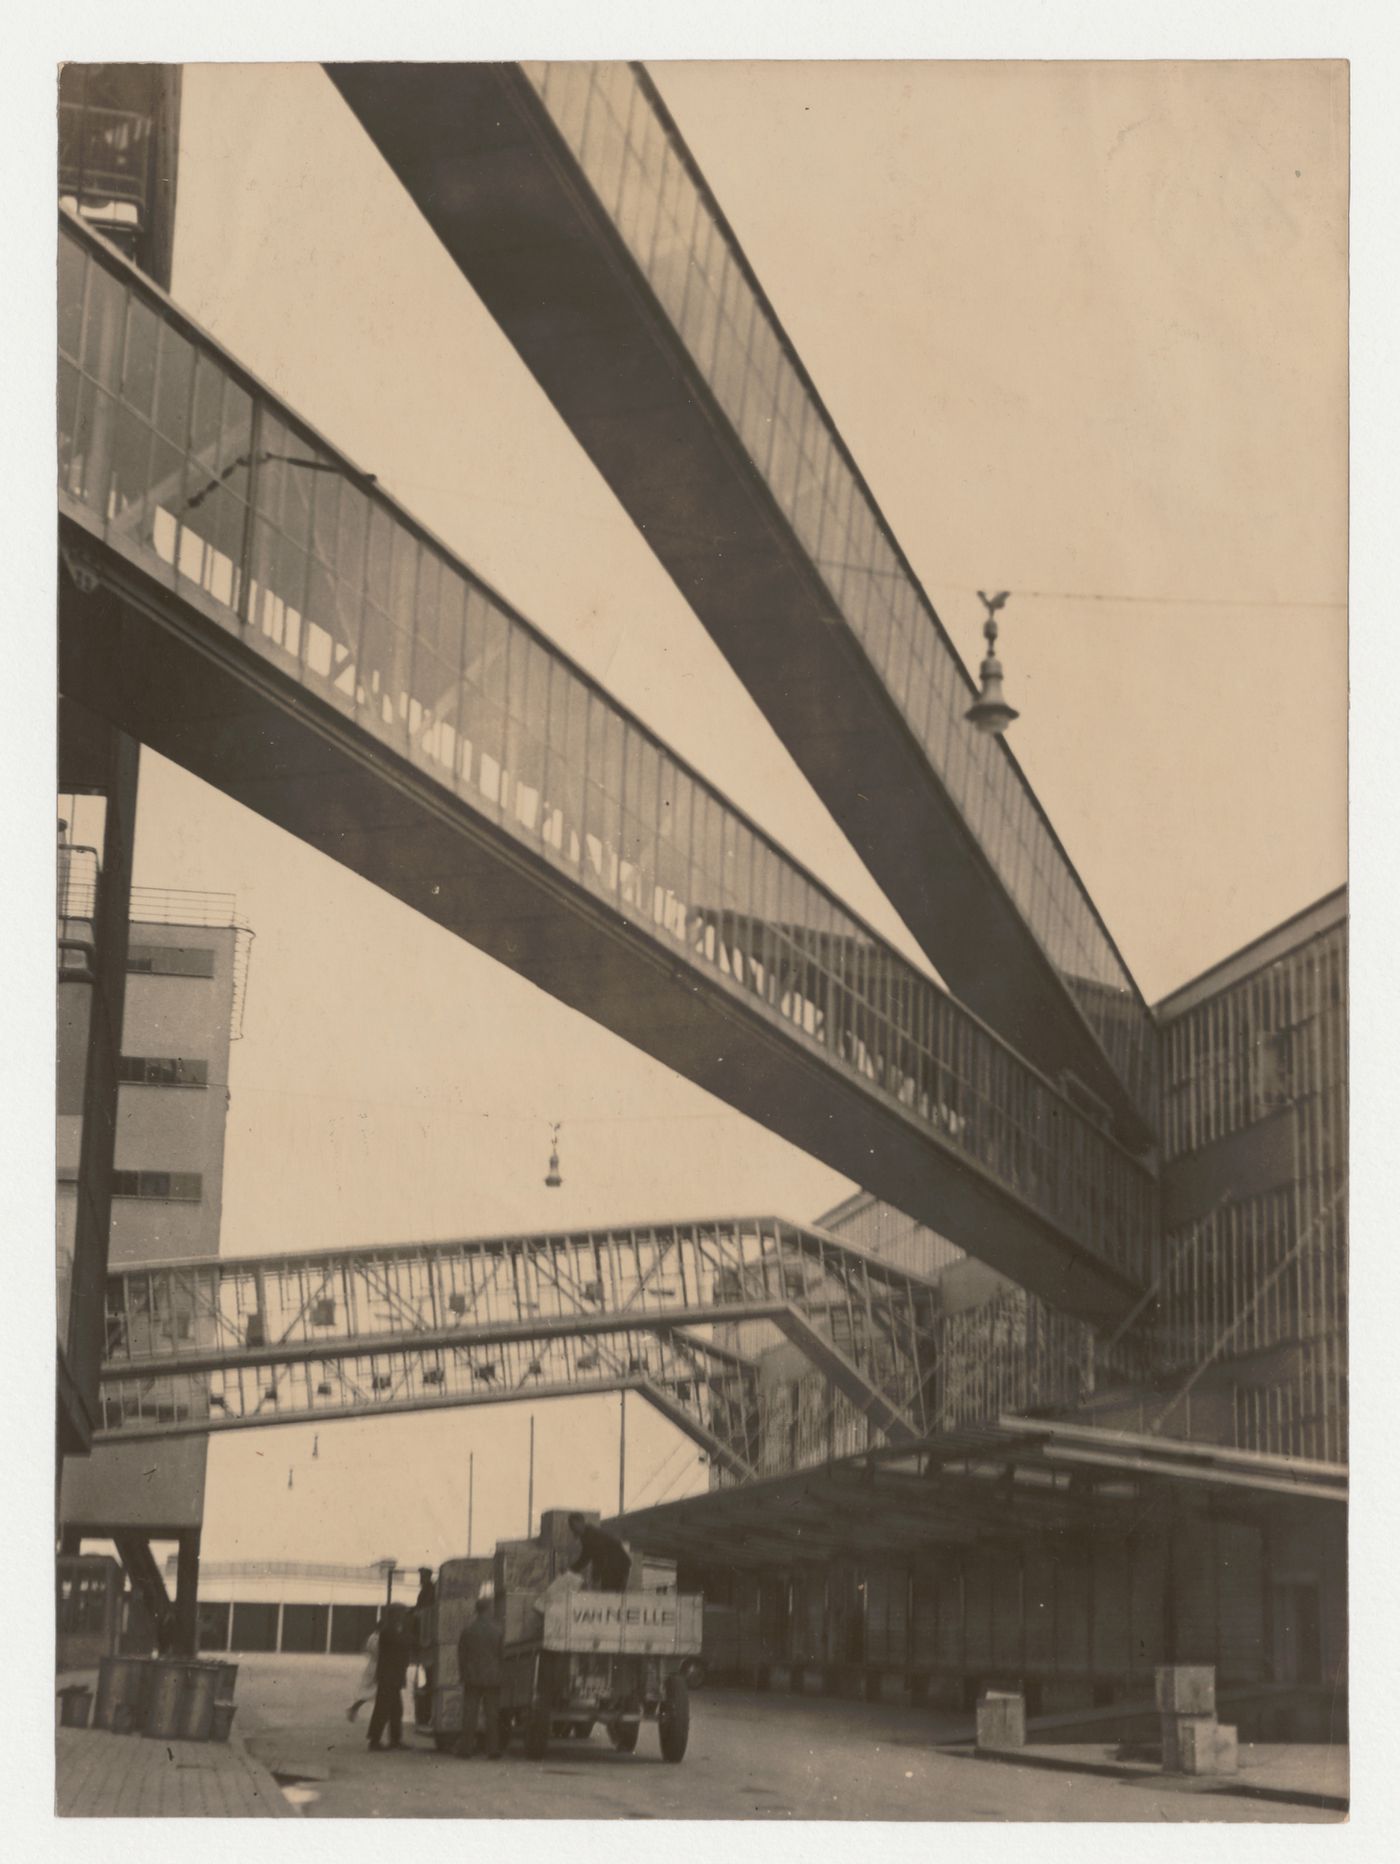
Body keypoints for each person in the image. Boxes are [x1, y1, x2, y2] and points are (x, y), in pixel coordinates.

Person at [456, 1597, 504, 1759]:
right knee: (492, 1714)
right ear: (488, 1609)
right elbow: (501, 1655)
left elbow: (461, 1655)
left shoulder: (468, 1630)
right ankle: (493, 1749)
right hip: (492, 1677)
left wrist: (463, 1674)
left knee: (470, 1713)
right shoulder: (498, 1630)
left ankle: (466, 1749)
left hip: (472, 1676)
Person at [367, 1604, 414, 1751]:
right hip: (389, 1676)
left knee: (395, 1709)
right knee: (383, 1708)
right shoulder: (389, 1631)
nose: (404, 1617)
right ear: (395, 1616)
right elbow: (404, 1642)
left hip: (392, 1676)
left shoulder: (393, 1630)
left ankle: (394, 1739)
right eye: (402, 1614)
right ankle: (375, 1740)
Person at [566, 1513, 632, 1591]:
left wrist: (596, 1576)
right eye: (571, 1527)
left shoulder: (592, 1534)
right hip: (612, 1565)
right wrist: (570, 1570)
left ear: (582, 1522)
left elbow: (600, 1557)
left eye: (574, 1526)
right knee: (608, 1593)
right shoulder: (586, 1535)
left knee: (611, 1594)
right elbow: (585, 1558)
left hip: (618, 1565)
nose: (573, 1529)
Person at [346, 1623, 380, 1722]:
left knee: (370, 1690)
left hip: (371, 1665)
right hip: (378, 1665)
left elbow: (366, 1649)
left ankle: (354, 1708)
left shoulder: (372, 1637)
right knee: (375, 1691)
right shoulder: (379, 1638)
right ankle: (354, 1708)